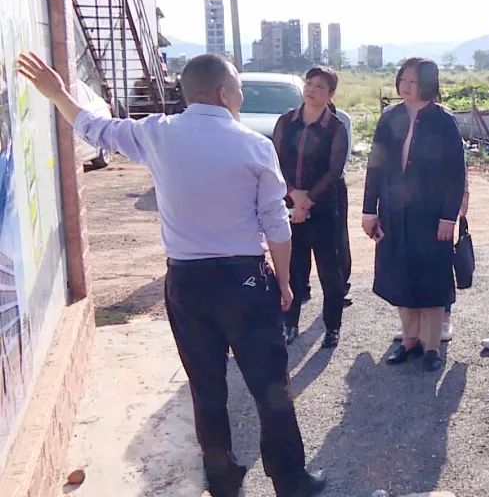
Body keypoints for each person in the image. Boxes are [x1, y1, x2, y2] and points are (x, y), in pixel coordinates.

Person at [16, 53, 325, 497]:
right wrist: (283, 281)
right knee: (270, 385)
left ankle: (222, 480)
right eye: (238, 89)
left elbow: (94, 128)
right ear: (223, 92)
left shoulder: (158, 133)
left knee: (206, 388)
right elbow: (275, 224)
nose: (240, 97)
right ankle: (290, 480)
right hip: (243, 282)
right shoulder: (253, 146)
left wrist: (59, 94)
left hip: (187, 284)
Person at [362, 58, 466, 372]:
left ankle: (432, 346)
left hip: (431, 214)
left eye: (413, 81)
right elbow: (375, 166)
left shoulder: (443, 120)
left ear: (427, 84)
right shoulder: (390, 117)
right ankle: (409, 340)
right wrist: (369, 211)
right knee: (400, 274)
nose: (406, 86)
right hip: (394, 211)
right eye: (403, 80)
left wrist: (449, 217)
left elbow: (455, 173)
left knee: (431, 278)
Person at [274, 67, 350, 350]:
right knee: (294, 267)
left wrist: (308, 200)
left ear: (330, 94)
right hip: (289, 205)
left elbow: (334, 171)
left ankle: (332, 326)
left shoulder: (335, 128)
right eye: (309, 83)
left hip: (324, 206)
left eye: (320, 86)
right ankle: (290, 323)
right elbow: (275, 162)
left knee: (330, 270)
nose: (312, 90)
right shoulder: (286, 122)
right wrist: (293, 194)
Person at [335, 107, 354, 308]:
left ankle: (339, 290)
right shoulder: (291, 119)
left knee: (338, 239)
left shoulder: (341, 120)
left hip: (333, 186)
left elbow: (341, 160)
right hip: (299, 190)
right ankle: (300, 290)